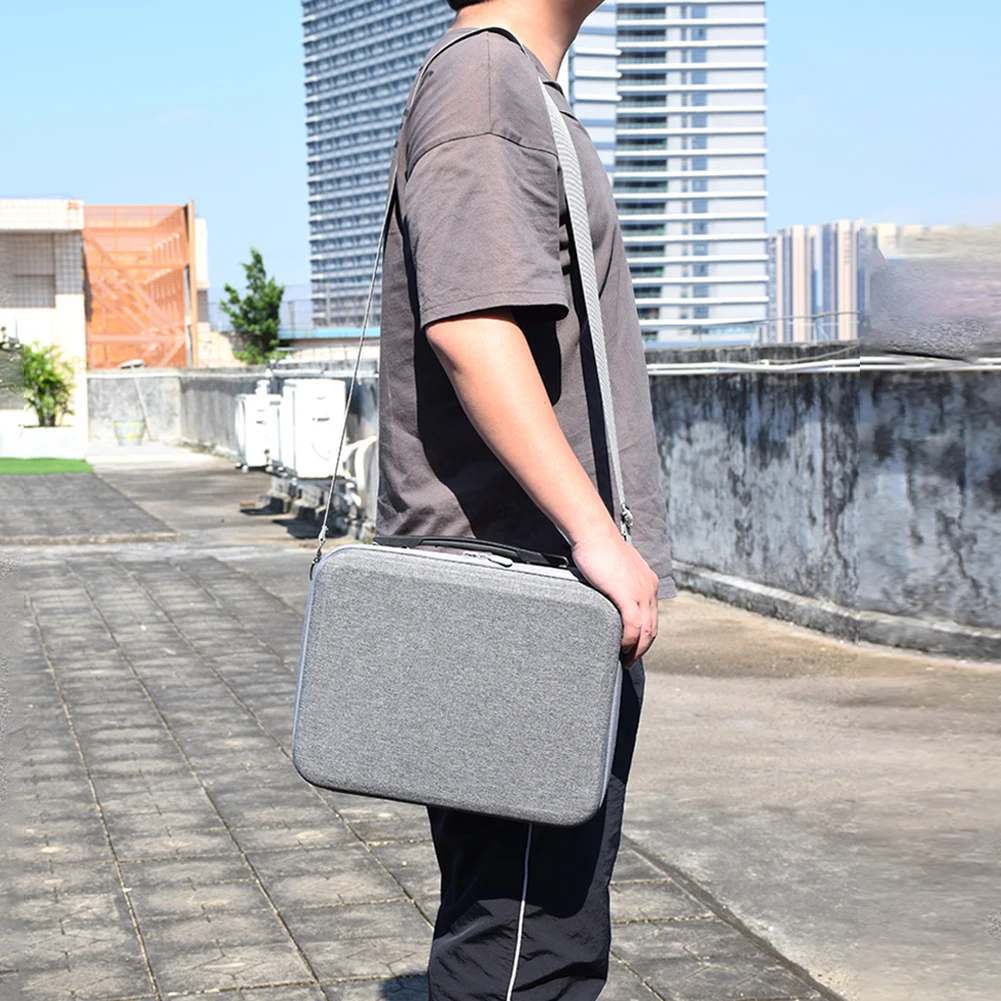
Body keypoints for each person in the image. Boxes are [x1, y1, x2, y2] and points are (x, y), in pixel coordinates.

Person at [376, 1, 675, 997]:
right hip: (521, 599)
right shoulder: (485, 79)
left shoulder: (505, 84)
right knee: (522, 948)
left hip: (531, 595)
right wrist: (596, 533)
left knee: (532, 928)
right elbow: (471, 323)